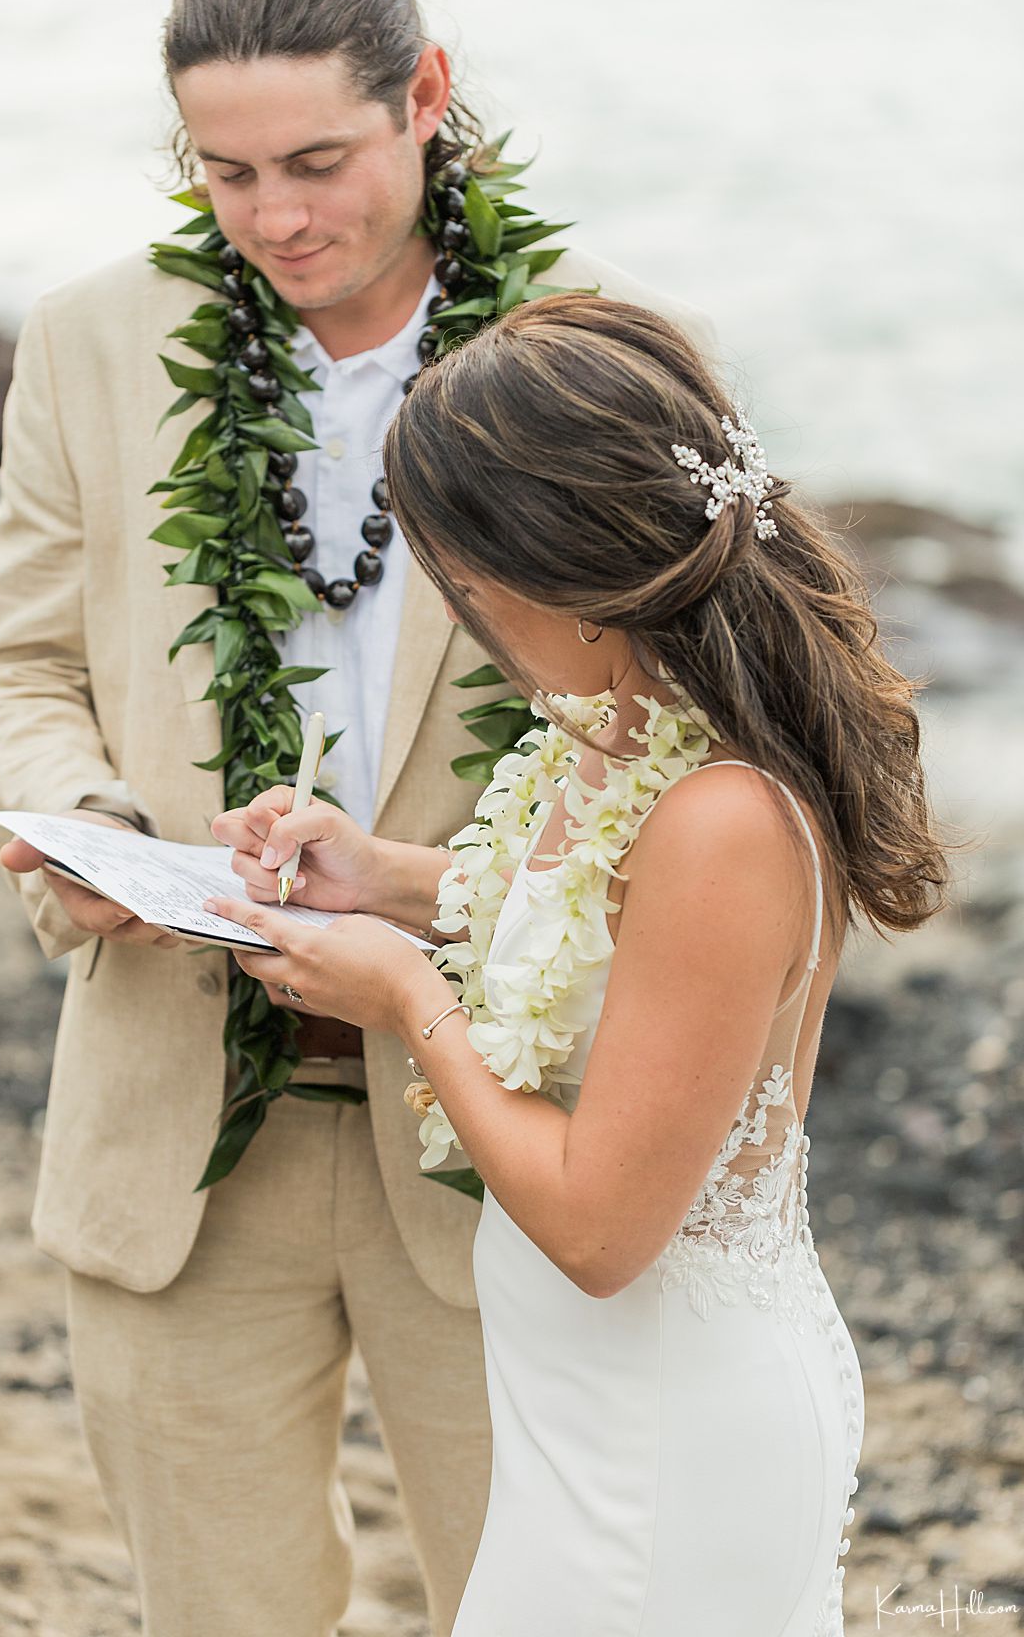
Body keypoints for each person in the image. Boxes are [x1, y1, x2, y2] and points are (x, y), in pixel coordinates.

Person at [0, 0, 718, 1637]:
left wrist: (445, 902)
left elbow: (698, 743)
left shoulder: (594, 364)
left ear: (425, 95)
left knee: (542, 1605)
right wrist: (92, 825)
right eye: (224, 173)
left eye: (316, 159)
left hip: (504, 1123)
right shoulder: (88, 341)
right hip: (175, 1128)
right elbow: (13, 667)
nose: (277, 216)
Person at [204, 292, 951, 1636]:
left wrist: (402, 995)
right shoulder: (620, 728)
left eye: (463, 580)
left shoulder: (722, 813)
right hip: (585, 1406)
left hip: (667, 1425)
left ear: (558, 564)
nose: (464, 607)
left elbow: (605, 1232)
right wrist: (380, 876)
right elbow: (610, 942)